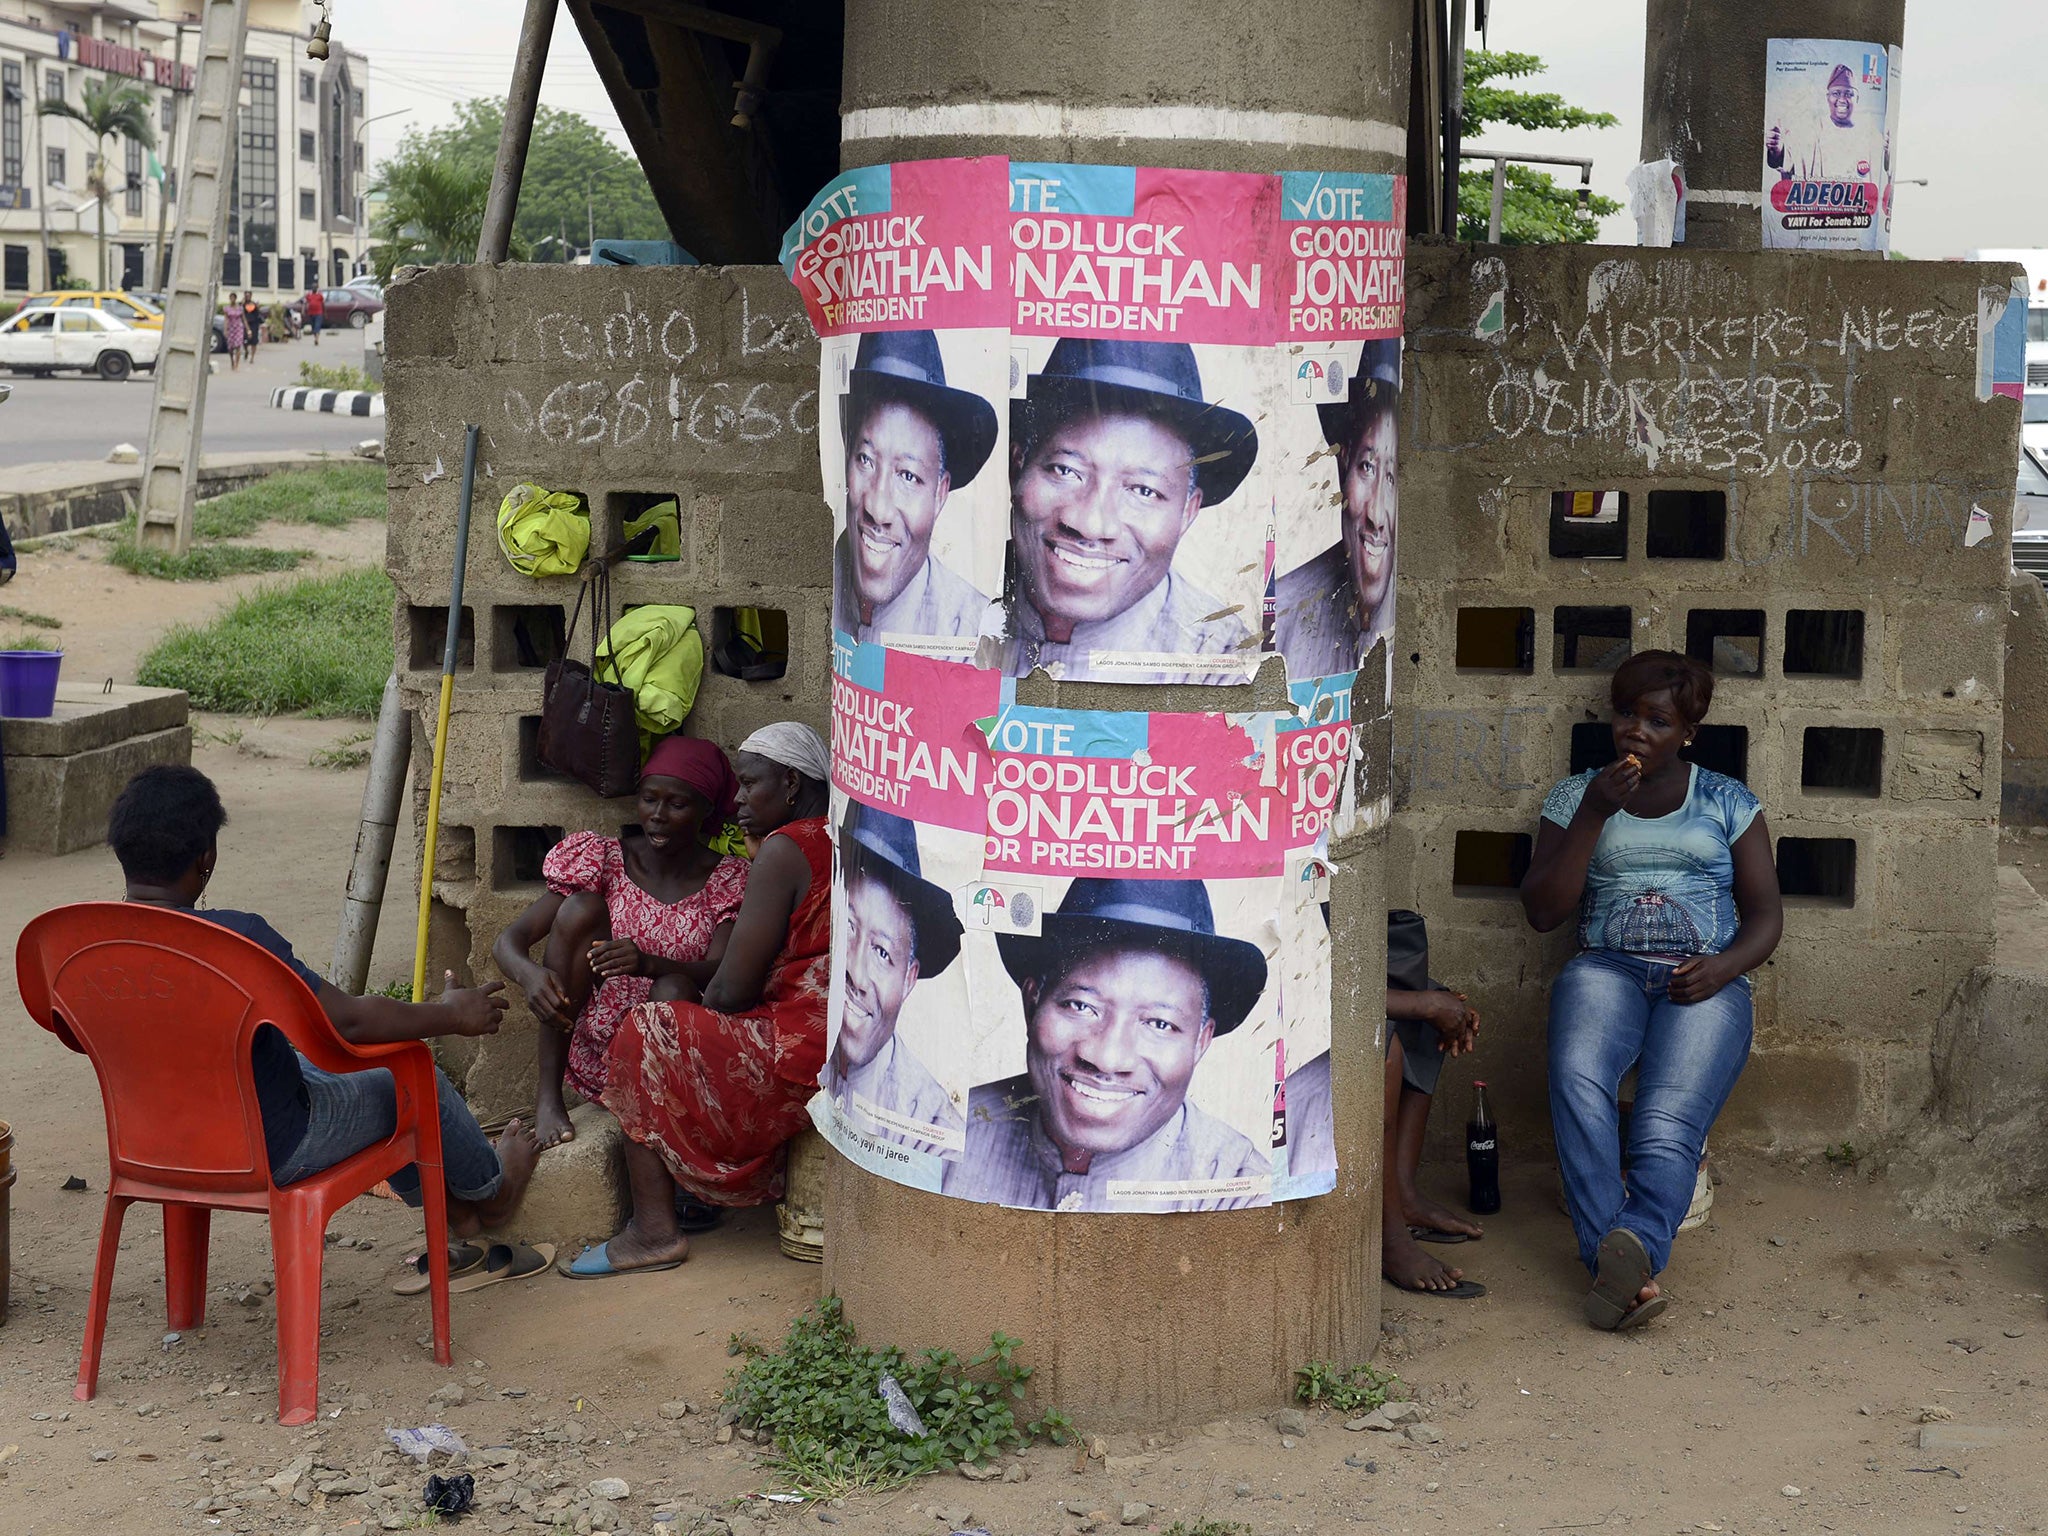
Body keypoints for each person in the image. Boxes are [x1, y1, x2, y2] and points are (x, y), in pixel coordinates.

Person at [103, 766, 539, 1239]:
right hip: (272, 1147)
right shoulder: (239, 940)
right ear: (205, 857)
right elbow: (347, 1022)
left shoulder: (90, 943)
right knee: (411, 1079)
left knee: (307, 1064)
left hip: (152, 1148)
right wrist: (452, 1014)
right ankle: (492, 1195)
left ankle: (454, 1213)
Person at [1520, 651, 1783, 1330]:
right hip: (1606, 967)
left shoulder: (1727, 800)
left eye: (1658, 719)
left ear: (1688, 731)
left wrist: (1723, 968)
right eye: (1627, 714)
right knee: (1578, 1082)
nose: (1636, 730)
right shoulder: (1576, 796)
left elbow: (1766, 917)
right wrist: (1593, 816)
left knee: (1666, 1121)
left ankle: (1622, 1259)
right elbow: (1543, 911)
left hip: (1704, 977)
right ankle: (1624, 1262)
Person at [563, 723, 833, 1276]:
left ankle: (653, 1231)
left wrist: (678, 1000)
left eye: (750, 784)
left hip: (799, 1046)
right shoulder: (837, 835)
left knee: (644, 1032)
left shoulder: (786, 849)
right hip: (839, 1036)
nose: (737, 801)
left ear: (789, 784)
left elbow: (732, 991)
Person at [944, 877, 1271, 1213]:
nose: (1107, 1058)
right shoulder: (947, 1135)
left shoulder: (1239, 1193)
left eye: (1159, 1024)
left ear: (1201, 1042)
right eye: (1081, 1006)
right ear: (1032, 1003)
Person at [492, 736, 751, 1150]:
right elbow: (509, 940)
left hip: (677, 1054)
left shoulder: (727, 880)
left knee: (674, 989)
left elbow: (720, 971)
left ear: (705, 810)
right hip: (601, 1050)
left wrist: (649, 962)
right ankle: (548, 1095)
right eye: (649, 799)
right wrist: (531, 976)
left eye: (677, 804)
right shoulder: (604, 859)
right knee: (579, 910)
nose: (658, 816)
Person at [1004, 337, 1259, 684]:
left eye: (1143, 491)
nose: (1091, 524)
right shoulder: (960, 615)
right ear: (1017, 466)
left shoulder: (1221, 667)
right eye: (1065, 471)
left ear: (1188, 511)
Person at [1281, 910, 1484, 1298]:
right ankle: (1389, 1236)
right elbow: (1293, 971)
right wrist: (1421, 1004)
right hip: (1284, 997)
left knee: (1431, 1005)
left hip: (1329, 968)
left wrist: (1432, 1002)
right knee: (1384, 1043)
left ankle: (1403, 1193)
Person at [832, 329, 999, 649]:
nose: (878, 509)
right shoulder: (815, 587)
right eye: (865, 459)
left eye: (908, 476)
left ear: (940, 493)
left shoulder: (976, 632)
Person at [821, 802, 967, 1154]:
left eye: (882, 952)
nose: (856, 972)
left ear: (909, 979)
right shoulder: (808, 1031)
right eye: (850, 928)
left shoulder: (932, 1131)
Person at [1273, 340, 1399, 680]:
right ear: (1344, 463)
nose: (1376, 514)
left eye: (1392, 475)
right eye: (1367, 467)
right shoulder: (1284, 612)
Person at [221, 295, 245, 371]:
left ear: (235, 299)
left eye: (233, 298)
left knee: (238, 346)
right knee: (231, 348)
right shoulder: (226, 308)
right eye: (231, 298)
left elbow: (243, 319)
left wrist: (248, 329)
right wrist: (225, 330)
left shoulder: (240, 308)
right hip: (231, 328)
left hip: (238, 328)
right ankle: (232, 360)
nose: (232, 299)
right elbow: (225, 319)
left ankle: (236, 364)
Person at [242, 292, 262, 359]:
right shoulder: (242, 305)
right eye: (246, 295)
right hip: (245, 324)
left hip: (254, 325)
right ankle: (246, 351)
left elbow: (258, 314)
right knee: (244, 340)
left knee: (254, 341)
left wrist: (258, 307)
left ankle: (252, 357)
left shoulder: (254, 304)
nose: (247, 297)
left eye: (249, 295)